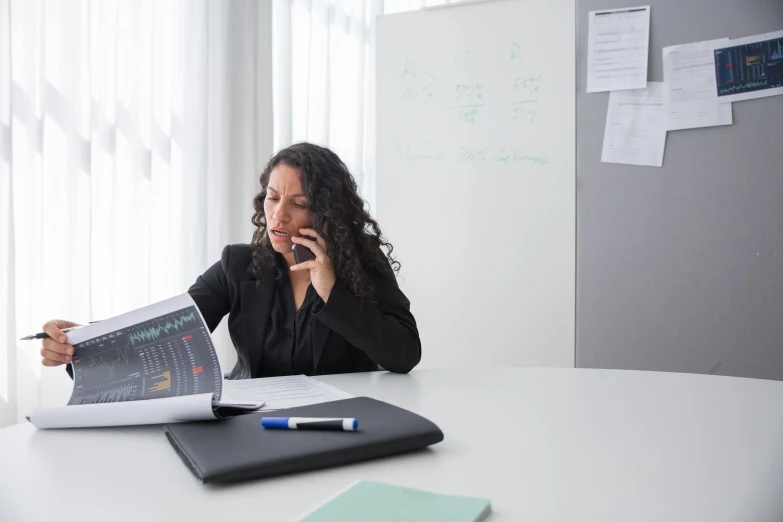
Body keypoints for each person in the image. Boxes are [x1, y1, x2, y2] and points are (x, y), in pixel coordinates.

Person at [39, 143, 421, 378]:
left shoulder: (363, 263)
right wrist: (83, 341)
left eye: (299, 204)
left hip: (343, 426)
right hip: (254, 425)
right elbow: (165, 330)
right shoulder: (238, 266)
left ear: (327, 213)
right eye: (272, 198)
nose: (279, 216)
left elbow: (403, 355)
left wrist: (330, 288)